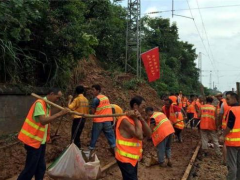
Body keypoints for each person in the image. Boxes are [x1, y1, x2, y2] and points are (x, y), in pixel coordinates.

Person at [17, 88, 70, 180]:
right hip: (33, 142)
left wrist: (61, 111)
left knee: (41, 168)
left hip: (40, 142)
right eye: (57, 97)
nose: (57, 100)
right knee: (30, 170)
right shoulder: (39, 103)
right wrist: (60, 113)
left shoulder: (47, 105)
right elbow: (43, 121)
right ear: (52, 94)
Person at [115, 96, 151, 180]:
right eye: (142, 107)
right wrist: (135, 119)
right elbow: (140, 136)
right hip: (125, 158)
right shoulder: (124, 120)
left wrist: (140, 118)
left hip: (133, 158)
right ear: (135, 106)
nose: (144, 110)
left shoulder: (137, 120)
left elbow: (149, 134)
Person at [89, 84, 115, 154]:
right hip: (107, 120)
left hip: (99, 121)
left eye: (93, 90)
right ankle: (116, 152)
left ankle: (90, 153)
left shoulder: (95, 99)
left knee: (94, 136)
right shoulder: (106, 98)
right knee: (111, 136)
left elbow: (93, 111)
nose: (92, 91)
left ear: (98, 90)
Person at [219, 92, 240, 180]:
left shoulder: (232, 110)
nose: (226, 101)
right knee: (239, 163)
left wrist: (223, 136)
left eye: (228, 99)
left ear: (234, 99)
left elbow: (229, 126)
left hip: (233, 142)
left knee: (232, 165)